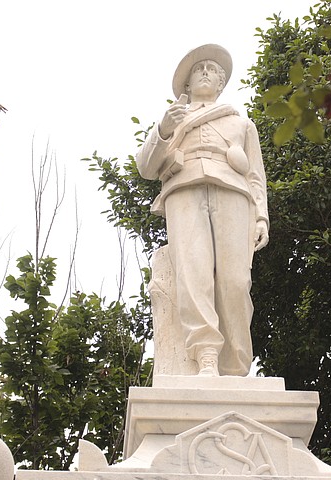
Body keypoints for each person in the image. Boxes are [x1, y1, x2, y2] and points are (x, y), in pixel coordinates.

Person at [136, 44, 269, 377]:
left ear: (222, 83)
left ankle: (236, 363)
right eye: (199, 69)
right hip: (185, 188)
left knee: (236, 281)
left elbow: (254, 174)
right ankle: (206, 353)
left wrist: (262, 216)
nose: (206, 73)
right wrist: (164, 130)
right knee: (193, 273)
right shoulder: (173, 119)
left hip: (233, 193)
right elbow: (145, 167)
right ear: (187, 84)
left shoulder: (241, 123)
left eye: (212, 69)